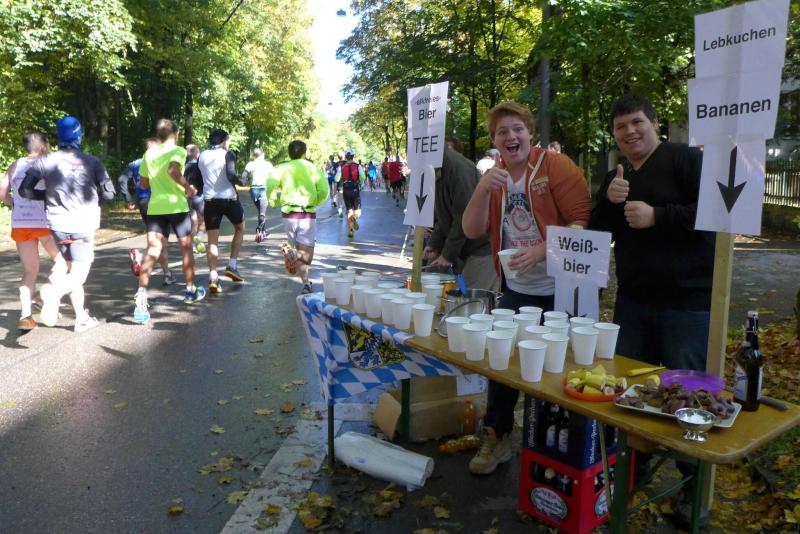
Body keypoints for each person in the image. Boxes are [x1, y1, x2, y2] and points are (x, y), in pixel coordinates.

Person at [588, 93, 714, 527]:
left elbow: (713, 216)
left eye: (637, 122)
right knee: (630, 393)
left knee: (689, 396)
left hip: (687, 304)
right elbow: (598, 232)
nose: (630, 132)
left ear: (655, 123)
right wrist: (609, 200)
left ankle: (692, 486)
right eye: (621, 126)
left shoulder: (685, 160)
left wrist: (658, 215)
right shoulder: (616, 174)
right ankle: (632, 469)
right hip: (634, 303)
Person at [462, 101, 591, 475]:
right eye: (502, 131)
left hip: (563, 287)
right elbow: (471, 229)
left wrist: (541, 250)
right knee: (502, 364)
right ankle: (497, 436)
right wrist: (482, 187)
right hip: (517, 288)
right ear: (494, 141)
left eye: (517, 128)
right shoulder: (496, 177)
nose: (510, 136)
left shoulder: (555, 166)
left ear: (530, 133)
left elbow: (581, 223)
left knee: (559, 370)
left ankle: (559, 450)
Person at [19, 116, 117, 332]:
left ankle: (81, 318)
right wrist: (95, 201)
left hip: (57, 226)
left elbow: (24, 190)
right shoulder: (93, 162)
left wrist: (46, 197)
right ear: (79, 136)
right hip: (83, 224)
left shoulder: (45, 161)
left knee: (72, 270)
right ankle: (54, 293)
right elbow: (110, 194)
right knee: (79, 274)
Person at [133, 119, 206, 323]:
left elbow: (144, 183)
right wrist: (187, 188)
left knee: (153, 251)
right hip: (176, 207)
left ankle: (141, 299)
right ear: (176, 133)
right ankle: (190, 290)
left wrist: (159, 183)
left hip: (155, 207)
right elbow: (173, 170)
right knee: (186, 249)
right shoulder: (178, 151)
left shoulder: (149, 153)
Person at [0, 132, 61, 331]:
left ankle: (25, 316)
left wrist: (15, 203)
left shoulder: (14, 165)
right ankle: (48, 294)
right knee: (62, 262)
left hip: (21, 223)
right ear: (43, 146)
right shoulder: (47, 163)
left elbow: (2, 193)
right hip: (44, 222)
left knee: (29, 271)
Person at [424, 146, 498, 291]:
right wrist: (435, 244)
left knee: (470, 297)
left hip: (481, 249)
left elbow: (462, 216)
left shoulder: (456, 168)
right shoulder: (438, 167)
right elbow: (445, 217)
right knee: (460, 291)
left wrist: (447, 255)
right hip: (464, 250)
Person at [267, 140, 329, 294]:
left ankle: (306, 283)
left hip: (288, 215)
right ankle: (294, 254)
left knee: (298, 248)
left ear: (289, 153)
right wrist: (316, 201)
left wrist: (273, 201)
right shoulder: (311, 167)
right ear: (304, 153)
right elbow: (324, 189)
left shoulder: (280, 167)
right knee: (307, 255)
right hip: (307, 214)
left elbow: (270, 185)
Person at [198, 128, 246, 293]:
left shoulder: (202, 155)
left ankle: (213, 277)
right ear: (224, 140)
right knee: (240, 228)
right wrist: (241, 181)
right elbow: (231, 175)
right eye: (228, 140)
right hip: (229, 199)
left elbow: (199, 179)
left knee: (212, 241)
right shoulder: (228, 154)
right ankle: (232, 265)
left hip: (210, 201)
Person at [123, 138, 176, 286]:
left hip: (143, 203)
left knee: (159, 240)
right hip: (159, 203)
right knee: (160, 241)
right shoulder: (161, 162)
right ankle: (140, 256)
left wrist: (129, 198)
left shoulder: (135, 164)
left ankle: (167, 274)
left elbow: (122, 179)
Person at [242, 147, 273, 242]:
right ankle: (259, 230)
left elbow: (244, 175)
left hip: (253, 190)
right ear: (262, 155)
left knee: (260, 211)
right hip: (263, 189)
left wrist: (243, 181)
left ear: (254, 155)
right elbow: (273, 177)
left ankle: (264, 231)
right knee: (262, 213)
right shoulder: (268, 164)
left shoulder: (250, 164)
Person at [336, 148, 365, 239]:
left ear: (346, 156)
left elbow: (336, 178)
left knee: (349, 211)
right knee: (358, 212)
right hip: (355, 190)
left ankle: (350, 231)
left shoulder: (341, 167)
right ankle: (354, 218)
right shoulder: (358, 166)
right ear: (353, 156)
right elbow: (363, 177)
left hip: (346, 190)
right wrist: (360, 182)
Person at [184, 144, 206, 253]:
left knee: (193, 222)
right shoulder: (200, 166)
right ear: (196, 153)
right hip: (199, 196)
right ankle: (199, 236)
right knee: (204, 220)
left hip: (189, 197)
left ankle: (193, 246)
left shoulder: (185, 166)